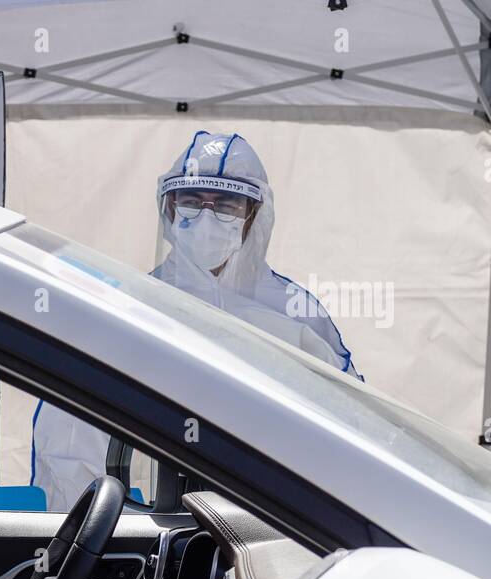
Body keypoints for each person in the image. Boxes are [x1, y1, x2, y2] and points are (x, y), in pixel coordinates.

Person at [31, 131, 359, 511]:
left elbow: (351, 424)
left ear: (254, 214)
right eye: (190, 201)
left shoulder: (293, 313)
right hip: (158, 527)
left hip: (272, 524)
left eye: (226, 204)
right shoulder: (128, 310)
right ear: (168, 209)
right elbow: (69, 439)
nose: (206, 217)